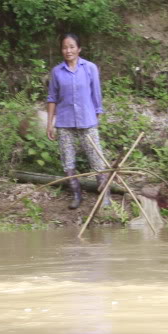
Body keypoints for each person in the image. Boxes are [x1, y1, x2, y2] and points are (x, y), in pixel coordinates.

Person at [46, 33, 111, 210]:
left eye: (72, 47)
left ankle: (104, 193)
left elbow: (96, 94)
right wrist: (50, 123)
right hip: (64, 121)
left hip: (87, 119)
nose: (68, 50)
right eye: (65, 47)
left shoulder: (89, 68)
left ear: (79, 49)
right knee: (68, 160)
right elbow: (52, 98)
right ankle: (76, 194)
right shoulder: (57, 72)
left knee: (96, 157)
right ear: (61, 50)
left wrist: (96, 114)